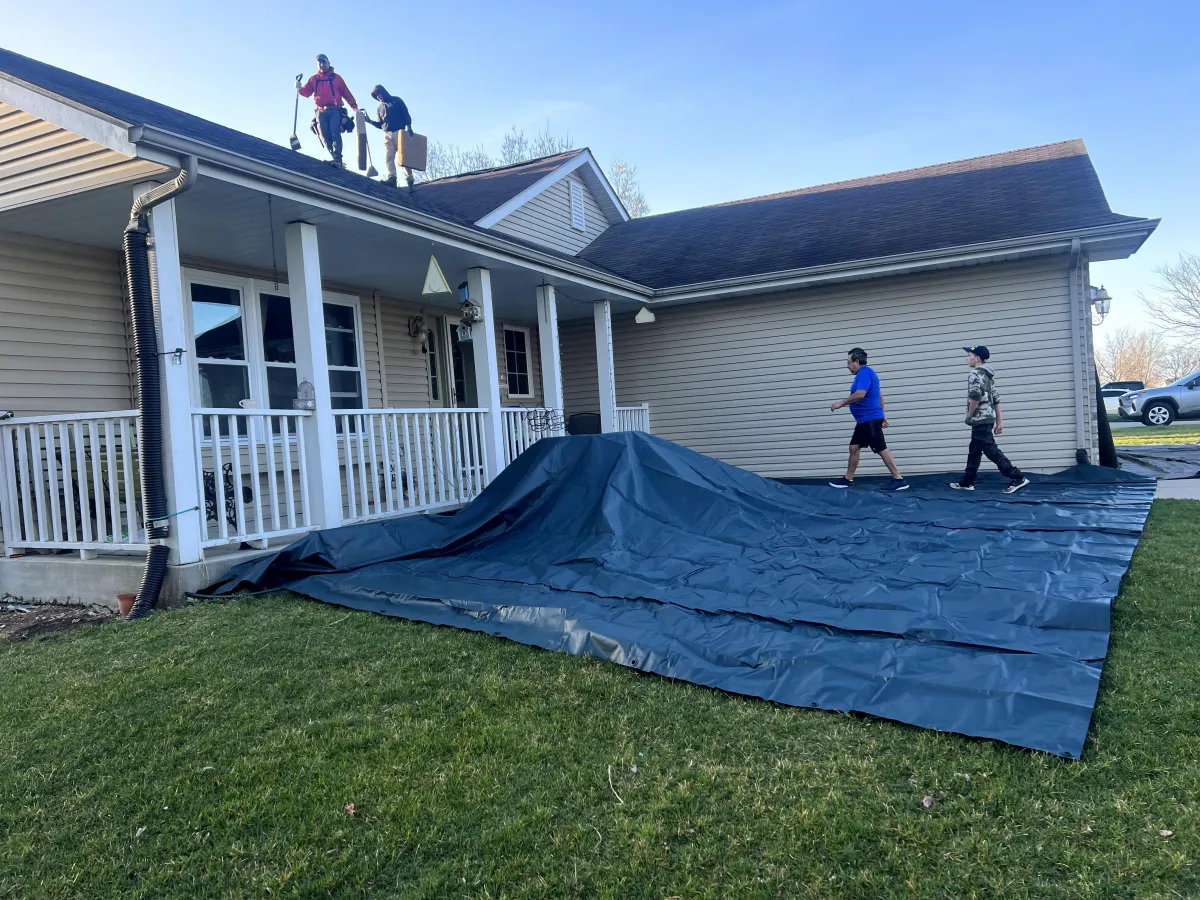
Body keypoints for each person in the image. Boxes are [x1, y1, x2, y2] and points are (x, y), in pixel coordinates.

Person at [949, 345, 1030, 493]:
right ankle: (967, 482)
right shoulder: (989, 376)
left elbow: (975, 396)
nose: (968, 358)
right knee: (974, 451)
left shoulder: (974, 374)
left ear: (977, 358)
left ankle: (1017, 477)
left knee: (991, 451)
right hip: (988, 419)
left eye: (970, 355)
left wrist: (969, 416)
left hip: (979, 419)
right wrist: (999, 421)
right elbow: (996, 400)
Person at [828, 348, 909, 491]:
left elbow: (860, 394)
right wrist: (882, 415)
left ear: (857, 362)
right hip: (865, 420)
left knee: (881, 448)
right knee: (854, 447)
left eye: (849, 362)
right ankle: (848, 479)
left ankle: (898, 479)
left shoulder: (864, 373)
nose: (847, 366)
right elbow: (879, 394)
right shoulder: (867, 374)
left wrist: (841, 403)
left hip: (869, 419)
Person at [297, 54, 357, 168]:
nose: (321, 64)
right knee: (324, 135)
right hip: (320, 112)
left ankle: (338, 160)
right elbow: (306, 92)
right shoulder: (314, 79)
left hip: (334, 110)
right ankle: (334, 158)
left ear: (328, 63)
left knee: (335, 133)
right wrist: (299, 88)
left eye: (323, 62)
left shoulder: (336, 78)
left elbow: (346, 92)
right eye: (319, 62)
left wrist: (354, 105)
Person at [365, 85, 414, 188]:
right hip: (387, 135)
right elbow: (381, 124)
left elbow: (405, 114)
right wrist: (369, 121)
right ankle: (392, 178)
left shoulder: (396, 101)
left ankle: (409, 179)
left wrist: (409, 127)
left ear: (383, 92)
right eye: (376, 96)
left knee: (403, 158)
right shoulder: (380, 108)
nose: (378, 97)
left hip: (400, 132)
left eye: (379, 94)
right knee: (388, 156)